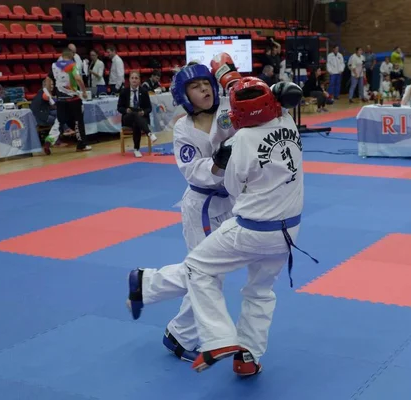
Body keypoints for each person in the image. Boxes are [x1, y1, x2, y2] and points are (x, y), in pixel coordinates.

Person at [127, 56, 312, 377]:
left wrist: (227, 72)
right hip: (204, 205)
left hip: (242, 206)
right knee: (208, 274)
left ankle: (148, 288)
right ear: (185, 96)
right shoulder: (183, 130)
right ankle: (180, 330)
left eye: (206, 84)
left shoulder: (231, 109)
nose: (204, 91)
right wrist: (218, 163)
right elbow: (193, 173)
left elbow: (249, 92)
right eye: (195, 88)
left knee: (207, 273)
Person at [51, 49, 91, 152]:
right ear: (72, 56)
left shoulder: (55, 65)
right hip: (73, 97)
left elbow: (49, 79)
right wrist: (84, 91)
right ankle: (81, 144)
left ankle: (50, 140)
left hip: (60, 98)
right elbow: (78, 78)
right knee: (78, 121)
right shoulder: (72, 65)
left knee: (60, 121)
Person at [117, 71, 157, 158]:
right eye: (132, 78)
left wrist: (144, 112)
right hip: (128, 117)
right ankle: (149, 133)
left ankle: (136, 149)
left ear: (139, 80)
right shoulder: (124, 92)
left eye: (136, 78)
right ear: (129, 80)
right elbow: (119, 108)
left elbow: (149, 108)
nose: (134, 80)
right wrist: (126, 110)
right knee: (134, 115)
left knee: (136, 122)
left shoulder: (144, 91)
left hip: (141, 117)